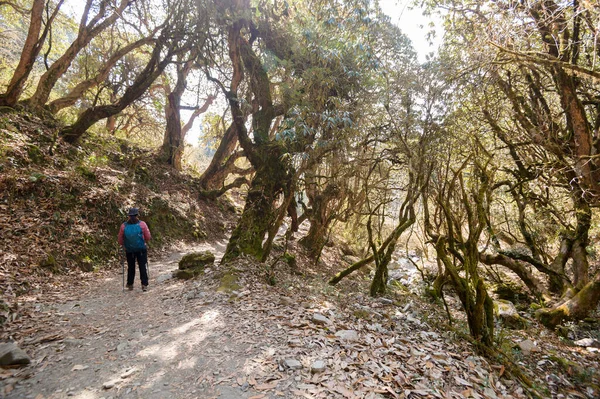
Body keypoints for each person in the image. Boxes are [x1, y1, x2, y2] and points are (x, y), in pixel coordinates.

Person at [118, 208, 151, 291]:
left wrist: (124, 245)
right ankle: (144, 284)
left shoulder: (123, 226)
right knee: (142, 266)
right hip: (141, 249)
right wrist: (144, 241)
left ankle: (130, 284)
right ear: (137, 215)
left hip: (129, 250)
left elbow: (120, 239)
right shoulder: (142, 224)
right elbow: (148, 237)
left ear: (128, 216)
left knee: (131, 267)